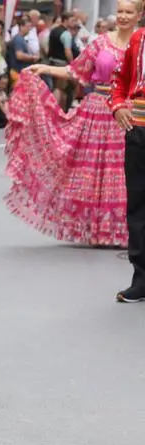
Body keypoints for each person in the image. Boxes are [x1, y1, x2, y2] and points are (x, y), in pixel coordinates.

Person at [4, 0, 139, 249]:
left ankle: (123, 231)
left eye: (128, 12)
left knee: (124, 174)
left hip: (128, 115)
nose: (122, 16)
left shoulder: (141, 44)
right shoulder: (100, 42)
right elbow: (77, 70)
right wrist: (45, 68)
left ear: (139, 15)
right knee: (89, 173)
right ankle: (95, 229)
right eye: (119, 11)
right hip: (97, 111)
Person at [109, 11, 145, 303]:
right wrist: (119, 104)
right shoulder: (138, 38)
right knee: (138, 206)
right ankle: (141, 279)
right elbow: (120, 80)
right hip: (139, 131)